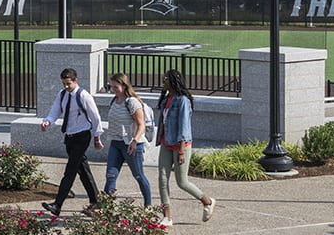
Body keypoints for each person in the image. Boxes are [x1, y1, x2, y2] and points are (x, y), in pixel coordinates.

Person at [39, 68, 104, 217]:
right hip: (70, 137)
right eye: (63, 84)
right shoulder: (62, 94)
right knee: (82, 169)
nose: (66, 87)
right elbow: (56, 110)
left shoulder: (84, 96)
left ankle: (57, 204)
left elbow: (95, 118)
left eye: (68, 83)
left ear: (75, 81)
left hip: (82, 136)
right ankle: (96, 200)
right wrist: (48, 121)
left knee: (70, 171)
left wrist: (97, 137)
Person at [156, 69, 215, 227]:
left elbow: (184, 127)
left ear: (174, 81)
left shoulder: (182, 100)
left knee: (182, 182)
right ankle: (167, 217)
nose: (163, 81)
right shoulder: (166, 99)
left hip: (181, 145)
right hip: (166, 143)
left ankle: (207, 201)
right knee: (162, 179)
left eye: (166, 79)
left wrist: (181, 150)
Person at [102, 73, 155, 206]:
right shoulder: (114, 100)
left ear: (124, 86)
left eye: (116, 87)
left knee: (138, 175)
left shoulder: (131, 102)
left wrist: (135, 141)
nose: (113, 89)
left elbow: (141, 124)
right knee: (110, 175)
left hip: (131, 145)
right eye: (111, 86)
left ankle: (148, 205)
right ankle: (106, 207)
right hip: (116, 142)